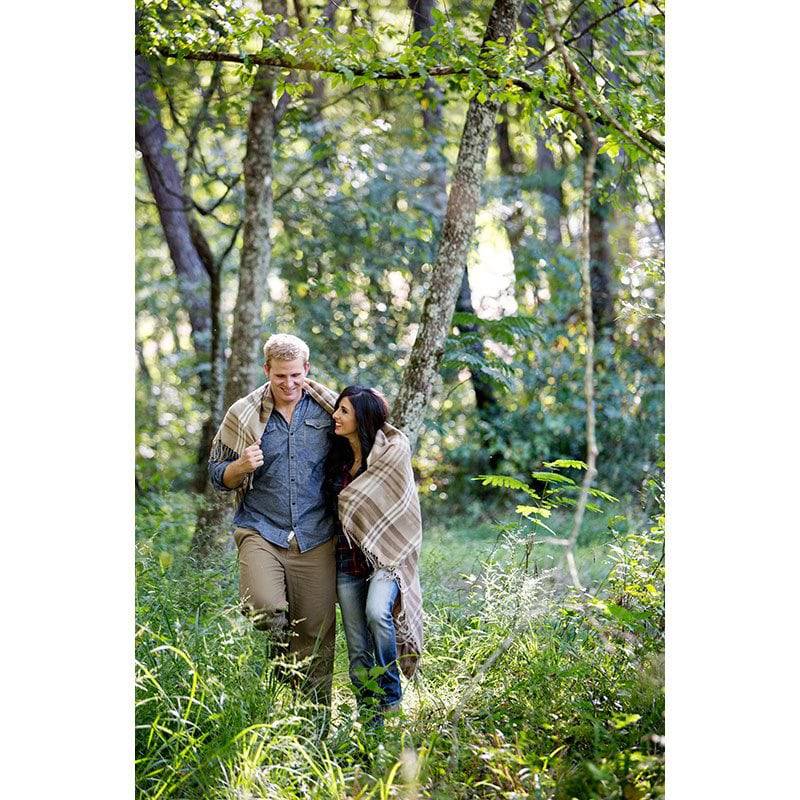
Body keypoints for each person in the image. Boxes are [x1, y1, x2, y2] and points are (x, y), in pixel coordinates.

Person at [208, 333, 339, 714]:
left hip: (317, 535)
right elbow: (218, 474)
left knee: (317, 636)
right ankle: (280, 673)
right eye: (280, 376)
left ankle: (314, 722)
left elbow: (362, 447)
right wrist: (240, 466)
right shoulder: (243, 413)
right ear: (267, 370)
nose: (289, 384)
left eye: (296, 375)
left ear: (307, 370)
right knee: (265, 607)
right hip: (261, 529)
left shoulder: (327, 409)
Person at [325, 386, 424, 724]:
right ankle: (371, 721)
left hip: (385, 560)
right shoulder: (335, 456)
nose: (335, 415)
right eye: (336, 408)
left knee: (377, 611)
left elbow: (404, 513)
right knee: (357, 649)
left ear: (362, 419)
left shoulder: (390, 455)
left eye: (344, 411)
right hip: (346, 561)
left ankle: (391, 693)